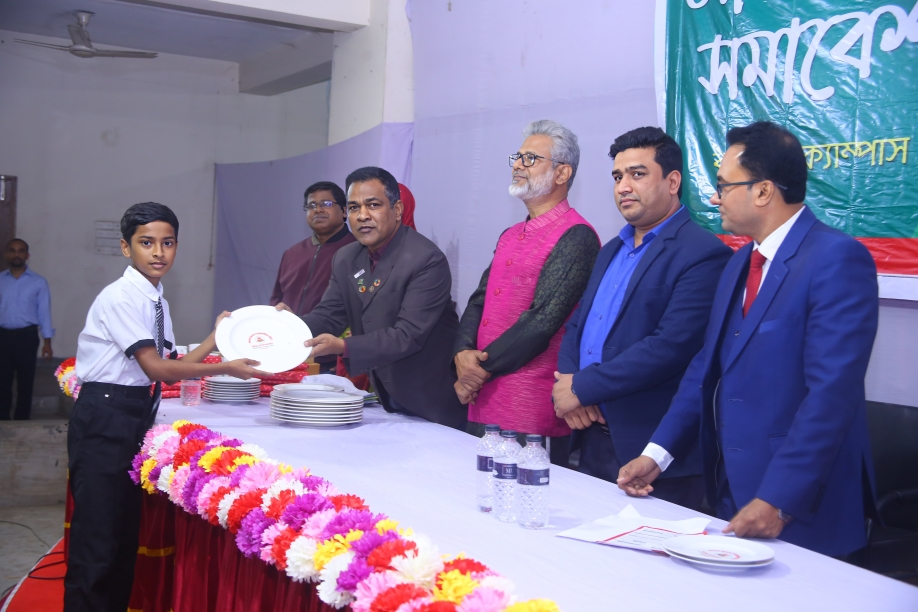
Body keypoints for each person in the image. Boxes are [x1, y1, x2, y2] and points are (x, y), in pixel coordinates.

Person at [617, 121, 880, 558]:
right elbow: (706, 367)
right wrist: (657, 455)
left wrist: (779, 498)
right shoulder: (740, 262)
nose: (714, 197)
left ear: (763, 191)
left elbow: (831, 395)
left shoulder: (836, 259)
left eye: (723, 185)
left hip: (800, 505)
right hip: (733, 493)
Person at [66, 202, 268, 612]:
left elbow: (174, 363)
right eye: (147, 243)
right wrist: (225, 367)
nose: (159, 252)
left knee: (122, 537)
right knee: (97, 542)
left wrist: (217, 337)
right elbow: (157, 369)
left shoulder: (155, 298)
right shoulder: (121, 297)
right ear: (126, 248)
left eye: (168, 243)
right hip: (105, 416)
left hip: (130, 414)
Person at [551, 127, 732, 509]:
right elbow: (578, 324)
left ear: (672, 181)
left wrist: (583, 386)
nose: (624, 187)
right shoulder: (610, 250)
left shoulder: (703, 253)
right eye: (618, 177)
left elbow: (670, 346)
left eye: (637, 174)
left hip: (654, 452)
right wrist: (571, 383)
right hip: (592, 435)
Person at [453, 120, 599, 465]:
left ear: (562, 173)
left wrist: (477, 371)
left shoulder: (577, 236)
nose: (518, 165)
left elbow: (542, 321)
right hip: (483, 398)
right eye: (517, 157)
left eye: (531, 158)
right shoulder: (510, 234)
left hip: (530, 409)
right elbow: (480, 299)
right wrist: (461, 352)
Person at [285, 167, 466, 429]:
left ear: (397, 209)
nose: (362, 216)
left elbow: (408, 335)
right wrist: (285, 326)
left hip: (431, 402)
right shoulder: (346, 257)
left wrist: (343, 346)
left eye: (373, 205)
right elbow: (329, 315)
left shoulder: (425, 259)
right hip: (385, 399)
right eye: (354, 207)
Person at [270, 181, 357, 373]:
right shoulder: (292, 253)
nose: (318, 210)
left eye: (326, 204)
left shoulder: (358, 251)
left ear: (344, 211)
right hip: (288, 356)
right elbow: (276, 300)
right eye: (311, 205)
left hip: (335, 361)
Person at [0, 239, 55, 420]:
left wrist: (47, 343)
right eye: (12, 250)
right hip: (3, 337)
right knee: (3, 381)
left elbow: (44, 313)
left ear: (27, 255)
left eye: (21, 251)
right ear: (7, 254)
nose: (16, 254)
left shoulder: (39, 282)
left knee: (26, 382)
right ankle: (3, 420)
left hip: (27, 337)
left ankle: (21, 420)